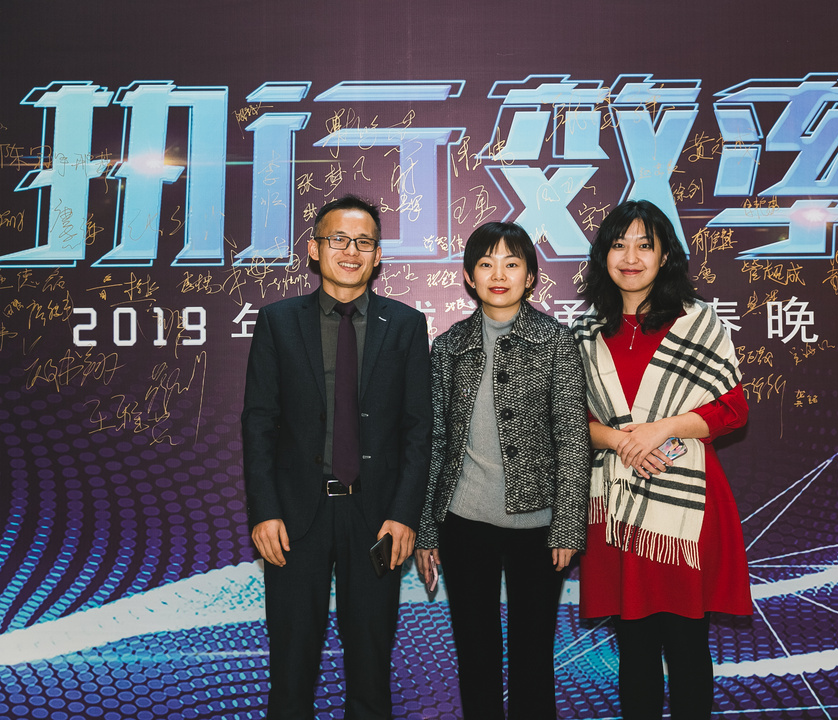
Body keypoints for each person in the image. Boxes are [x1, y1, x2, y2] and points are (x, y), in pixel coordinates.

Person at [242, 195, 432, 720]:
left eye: (364, 242)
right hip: (294, 517)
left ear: (378, 256)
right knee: (290, 668)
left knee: (370, 668)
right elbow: (259, 423)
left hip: (376, 518)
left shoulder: (406, 325)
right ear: (314, 249)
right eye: (339, 239)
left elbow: (419, 430)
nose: (351, 251)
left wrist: (404, 515)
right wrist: (264, 511)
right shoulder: (278, 321)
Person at [571, 200, 752, 720]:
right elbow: (567, 422)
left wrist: (662, 430)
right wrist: (619, 440)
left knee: (688, 646)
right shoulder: (585, 332)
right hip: (617, 510)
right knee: (635, 651)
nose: (630, 257)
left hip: (685, 513)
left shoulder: (697, 322)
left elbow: (733, 409)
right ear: (603, 255)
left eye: (644, 245)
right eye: (618, 245)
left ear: (665, 255)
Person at [414, 221, 589, 720]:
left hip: (538, 525)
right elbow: (435, 443)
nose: (498, 274)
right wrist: (427, 530)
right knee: (476, 654)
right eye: (486, 264)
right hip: (464, 523)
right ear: (469, 277)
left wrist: (568, 525)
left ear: (530, 277)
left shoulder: (556, 341)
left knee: (533, 658)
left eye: (512, 264)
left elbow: (572, 438)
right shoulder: (449, 345)